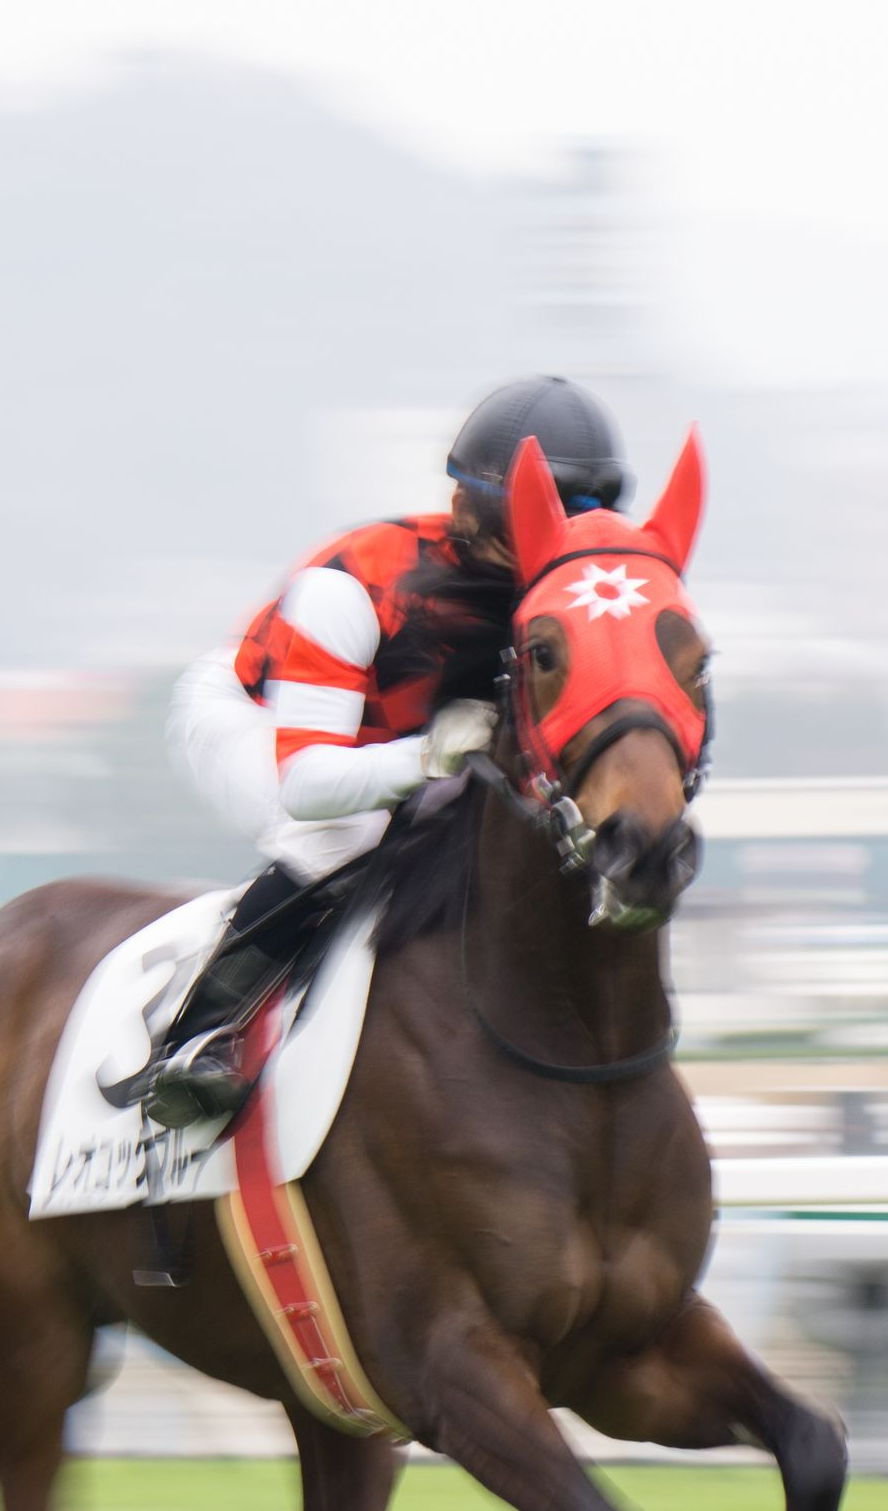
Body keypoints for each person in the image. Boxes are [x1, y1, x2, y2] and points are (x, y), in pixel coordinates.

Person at [135, 375, 632, 1127]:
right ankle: (196, 1041)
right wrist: (427, 760)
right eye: (535, 516)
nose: (552, 539)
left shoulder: (563, 589)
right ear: (471, 507)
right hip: (259, 722)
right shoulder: (351, 586)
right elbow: (308, 784)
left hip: (395, 738)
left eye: (573, 517)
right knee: (345, 835)